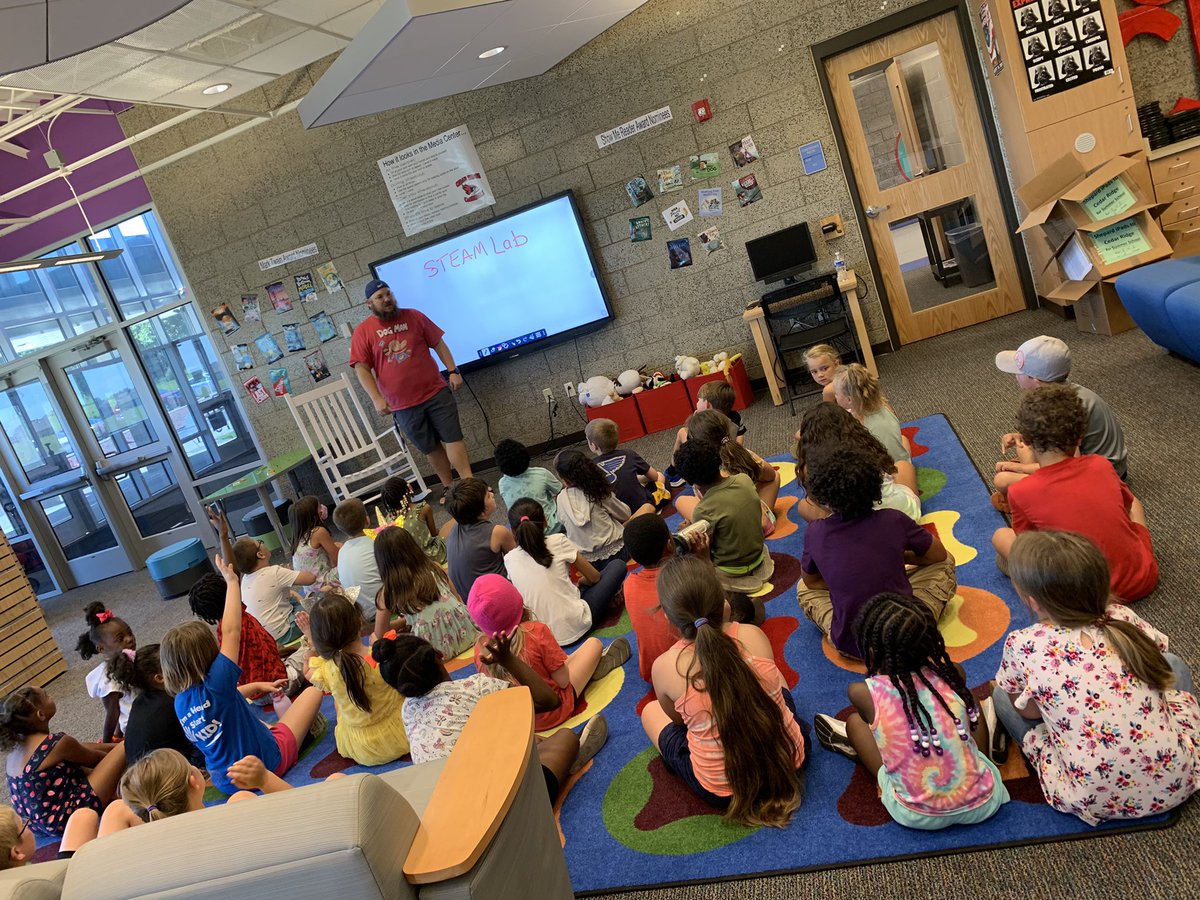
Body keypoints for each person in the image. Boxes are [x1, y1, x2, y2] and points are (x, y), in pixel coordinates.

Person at [994, 531, 1199, 825]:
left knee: (1003, 697)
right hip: (1177, 780)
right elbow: (1158, 666)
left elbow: (1027, 711)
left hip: (1090, 797)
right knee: (1172, 663)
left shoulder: (1023, 643)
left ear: (1033, 602)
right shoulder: (1122, 617)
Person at [813, 593, 1009, 830]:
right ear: (930, 640)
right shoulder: (952, 673)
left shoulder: (863, 692)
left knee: (855, 723)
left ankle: (865, 750)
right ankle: (980, 751)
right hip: (984, 803)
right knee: (971, 701)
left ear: (870, 649)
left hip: (914, 815)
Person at [640, 555, 807, 826]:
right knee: (773, 676)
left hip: (724, 790)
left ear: (668, 617)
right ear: (724, 602)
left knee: (649, 711)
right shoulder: (752, 634)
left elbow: (678, 722)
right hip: (789, 759)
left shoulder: (665, 667)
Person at [160, 555, 324, 797]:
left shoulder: (181, 701)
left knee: (241, 719)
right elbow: (231, 630)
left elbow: (221, 705)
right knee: (312, 692)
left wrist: (257, 685)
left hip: (227, 782)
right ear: (208, 654)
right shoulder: (217, 682)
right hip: (266, 765)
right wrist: (232, 582)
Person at [373, 632, 607, 794]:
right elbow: (548, 700)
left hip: (448, 816)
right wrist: (508, 660)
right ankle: (568, 761)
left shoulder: (407, 710)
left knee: (524, 736)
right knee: (566, 738)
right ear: (437, 654)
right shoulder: (476, 688)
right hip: (499, 810)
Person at [991, 385, 1157, 602]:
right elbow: (1126, 507)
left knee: (1000, 538)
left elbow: (1030, 547)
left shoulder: (1021, 491)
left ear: (1028, 441)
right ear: (1080, 438)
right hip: (1143, 579)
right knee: (1134, 502)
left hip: (1086, 597)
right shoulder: (1101, 464)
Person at [798, 444, 956, 660]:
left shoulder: (815, 532)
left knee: (802, 588)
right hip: (908, 632)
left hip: (852, 645)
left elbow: (812, 582)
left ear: (821, 496)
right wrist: (896, 558)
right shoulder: (893, 519)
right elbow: (938, 556)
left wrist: (848, 581)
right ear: (875, 483)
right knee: (948, 560)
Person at [350, 278, 473, 491]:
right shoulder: (363, 332)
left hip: (435, 393)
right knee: (430, 448)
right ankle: (449, 488)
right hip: (402, 405)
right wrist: (377, 398)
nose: (386, 299)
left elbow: (438, 344)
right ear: (369, 303)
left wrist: (453, 371)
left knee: (453, 438)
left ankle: (470, 484)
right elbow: (361, 369)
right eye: (380, 297)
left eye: (388, 294)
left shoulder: (414, 316)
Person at [467, 575, 629, 732]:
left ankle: (587, 671)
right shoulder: (535, 632)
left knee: (564, 661)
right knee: (594, 644)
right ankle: (590, 672)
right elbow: (563, 681)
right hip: (556, 708)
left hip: (526, 719)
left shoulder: (479, 650)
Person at [993, 335, 1127, 494]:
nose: (1015, 376)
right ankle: (1035, 482)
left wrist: (1020, 467)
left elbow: (1069, 463)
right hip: (1093, 462)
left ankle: (1038, 490)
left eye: (1018, 372)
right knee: (1023, 444)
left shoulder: (1059, 409)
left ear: (1034, 380)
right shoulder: (1065, 392)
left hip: (1101, 477)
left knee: (1002, 481)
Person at [1, 685, 126, 837]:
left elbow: (81, 748)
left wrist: (112, 747)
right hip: (67, 820)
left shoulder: (16, 749)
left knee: (80, 749)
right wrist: (122, 746)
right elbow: (98, 760)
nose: (51, 696)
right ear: (41, 715)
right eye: (46, 695)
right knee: (125, 747)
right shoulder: (56, 743)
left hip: (38, 825)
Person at [671, 439, 774, 620]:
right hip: (760, 556)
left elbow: (707, 550)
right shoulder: (743, 479)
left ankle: (734, 610)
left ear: (689, 481)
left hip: (732, 572)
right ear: (718, 459)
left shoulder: (703, 510)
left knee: (685, 558)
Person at [305, 591, 409, 765]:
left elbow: (307, 671)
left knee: (338, 699)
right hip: (402, 732)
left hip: (362, 749)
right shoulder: (377, 656)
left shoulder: (325, 670)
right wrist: (378, 643)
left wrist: (309, 644)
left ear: (320, 641)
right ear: (358, 623)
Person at [505, 499, 627, 645]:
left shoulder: (509, 559)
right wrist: (581, 582)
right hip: (579, 624)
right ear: (545, 521)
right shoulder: (558, 540)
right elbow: (594, 577)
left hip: (544, 638)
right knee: (617, 566)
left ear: (513, 531)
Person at [794, 402, 920, 523]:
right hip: (901, 516)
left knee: (804, 506)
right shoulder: (863, 447)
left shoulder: (810, 467)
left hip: (852, 524)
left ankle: (842, 530)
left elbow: (819, 500)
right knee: (903, 465)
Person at [374, 525, 477, 656]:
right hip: (467, 631)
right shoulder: (434, 567)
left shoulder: (388, 591)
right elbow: (457, 598)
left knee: (374, 640)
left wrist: (401, 623)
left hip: (433, 651)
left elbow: (380, 633)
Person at [623, 514, 700, 683]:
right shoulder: (687, 575)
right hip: (694, 671)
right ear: (670, 544)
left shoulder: (629, 585)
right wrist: (704, 559)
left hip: (655, 675)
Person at [188, 572, 290, 694]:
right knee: (310, 654)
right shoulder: (235, 624)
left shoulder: (224, 631)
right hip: (277, 686)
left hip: (255, 692)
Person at [680, 410, 781, 529]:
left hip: (727, 532)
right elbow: (771, 476)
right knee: (775, 476)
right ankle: (762, 518)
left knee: (681, 500)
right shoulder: (742, 454)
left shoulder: (702, 466)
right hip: (759, 526)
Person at [107, 645, 204, 768]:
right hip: (169, 776)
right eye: (177, 665)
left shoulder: (139, 701)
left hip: (139, 774)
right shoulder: (175, 703)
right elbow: (198, 738)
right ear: (160, 678)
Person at [555, 448, 654, 566]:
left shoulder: (561, 498)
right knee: (648, 507)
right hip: (619, 552)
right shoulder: (596, 491)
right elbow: (625, 514)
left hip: (588, 561)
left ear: (565, 479)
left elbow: (562, 521)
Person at [832, 364, 915, 482]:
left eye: (836, 394)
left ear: (850, 399)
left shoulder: (855, 422)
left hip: (882, 477)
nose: (835, 397)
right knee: (903, 439)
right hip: (903, 468)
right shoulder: (884, 404)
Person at [232, 535, 317, 646]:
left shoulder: (245, 580)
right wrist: (288, 573)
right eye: (259, 542)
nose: (262, 543)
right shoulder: (274, 572)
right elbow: (310, 578)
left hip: (265, 637)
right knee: (315, 604)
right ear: (260, 555)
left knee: (293, 597)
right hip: (285, 633)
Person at [665, 379, 747, 487]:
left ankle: (673, 471)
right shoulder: (735, 416)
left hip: (704, 457)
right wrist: (735, 452)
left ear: (707, 405)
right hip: (727, 452)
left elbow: (693, 443)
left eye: (698, 400)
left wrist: (695, 419)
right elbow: (740, 435)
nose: (697, 403)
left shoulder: (703, 423)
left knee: (681, 432)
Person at [445, 478, 514, 599]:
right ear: (482, 512)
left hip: (470, 603)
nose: (492, 494)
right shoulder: (497, 532)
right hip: (497, 600)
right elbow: (518, 560)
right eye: (488, 496)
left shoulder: (454, 527)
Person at [76, 602, 135, 743]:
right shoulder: (109, 678)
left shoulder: (134, 659)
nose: (130, 639)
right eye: (120, 639)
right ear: (101, 648)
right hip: (136, 727)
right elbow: (112, 713)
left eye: (130, 633)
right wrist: (108, 741)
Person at [585, 418, 661, 515]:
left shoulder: (590, 466)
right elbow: (654, 476)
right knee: (660, 476)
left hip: (618, 514)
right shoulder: (629, 454)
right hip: (642, 503)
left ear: (594, 446)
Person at [494, 438, 564, 534]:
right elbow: (562, 491)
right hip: (551, 527)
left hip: (523, 532)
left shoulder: (502, 483)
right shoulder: (541, 473)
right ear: (526, 456)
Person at [332, 499, 384, 622]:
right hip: (385, 609)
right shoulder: (377, 543)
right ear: (367, 520)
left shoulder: (342, 551)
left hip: (362, 614)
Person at [380, 475, 449, 564]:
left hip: (409, 563)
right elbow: (433, 534)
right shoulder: (423, 509)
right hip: (430, 557)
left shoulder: (388, 519)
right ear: (408, 491)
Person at [288, 496, 341, 592]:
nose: (322, 509)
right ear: (313, 515)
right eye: (319, 507)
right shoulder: (319, 532)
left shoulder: (297, 537)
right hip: (323, 583)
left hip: (309, 588)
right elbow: (336, 558)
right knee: (344, 548)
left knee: (336, 545)